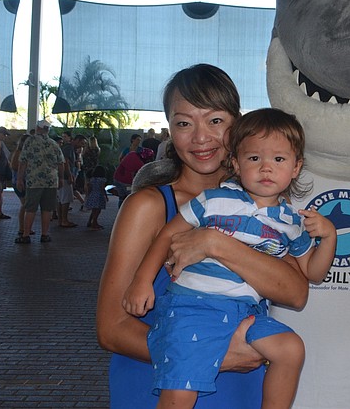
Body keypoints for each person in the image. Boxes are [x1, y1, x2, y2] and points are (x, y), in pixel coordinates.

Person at [96, 63, 309, 409]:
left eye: (215, 121)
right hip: (159, 386)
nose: (200, 137)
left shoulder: (261, 208)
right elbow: (111, 327)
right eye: (183, 123)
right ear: (169, 129)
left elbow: (296, 292)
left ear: (237, 125)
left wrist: (214, 243)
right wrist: (209, 354)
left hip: (239, 390)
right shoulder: (150, 207)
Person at [123, 107, 336, 409]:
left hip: (246, 314)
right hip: (193, 308)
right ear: (236, 163)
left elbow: (312, 273)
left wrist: (329, 238)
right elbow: (168, 235)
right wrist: (142, 281)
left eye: (278, 159)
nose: (266, 168)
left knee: (290, 349)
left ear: (296, 166)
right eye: (254, 158)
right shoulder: (215, 199)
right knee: (181, 393)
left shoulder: (292, 222)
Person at [16, 119, 66, 244]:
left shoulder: (29, 141)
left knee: (30, 208)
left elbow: (23, 161)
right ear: (48, 130)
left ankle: (26, 235)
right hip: (51, 181)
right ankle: (44, 234)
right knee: (47, 209)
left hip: (34, 181)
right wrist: (60, 178)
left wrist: (19, 178)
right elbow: (61, 163)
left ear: (38, 128)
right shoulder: (54, 144)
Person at [10, 134, 32, 238]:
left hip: (25, 181)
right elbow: (14, 166)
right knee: (25, 204)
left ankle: (24, 228)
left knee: (26, 205)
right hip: (19, 181)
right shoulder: (18, 153)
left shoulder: (26, 153)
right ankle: (22, 228)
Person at [84, 164, 109, 230]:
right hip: (99, 196)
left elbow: (89, 188)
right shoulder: (102, 180)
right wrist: (105, 196)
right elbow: (102, 188)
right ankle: (94, 223)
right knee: (97, 211)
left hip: (92, 195)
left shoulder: (92, 179)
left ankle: (90, 221)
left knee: (93, 210)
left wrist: (88, 195)